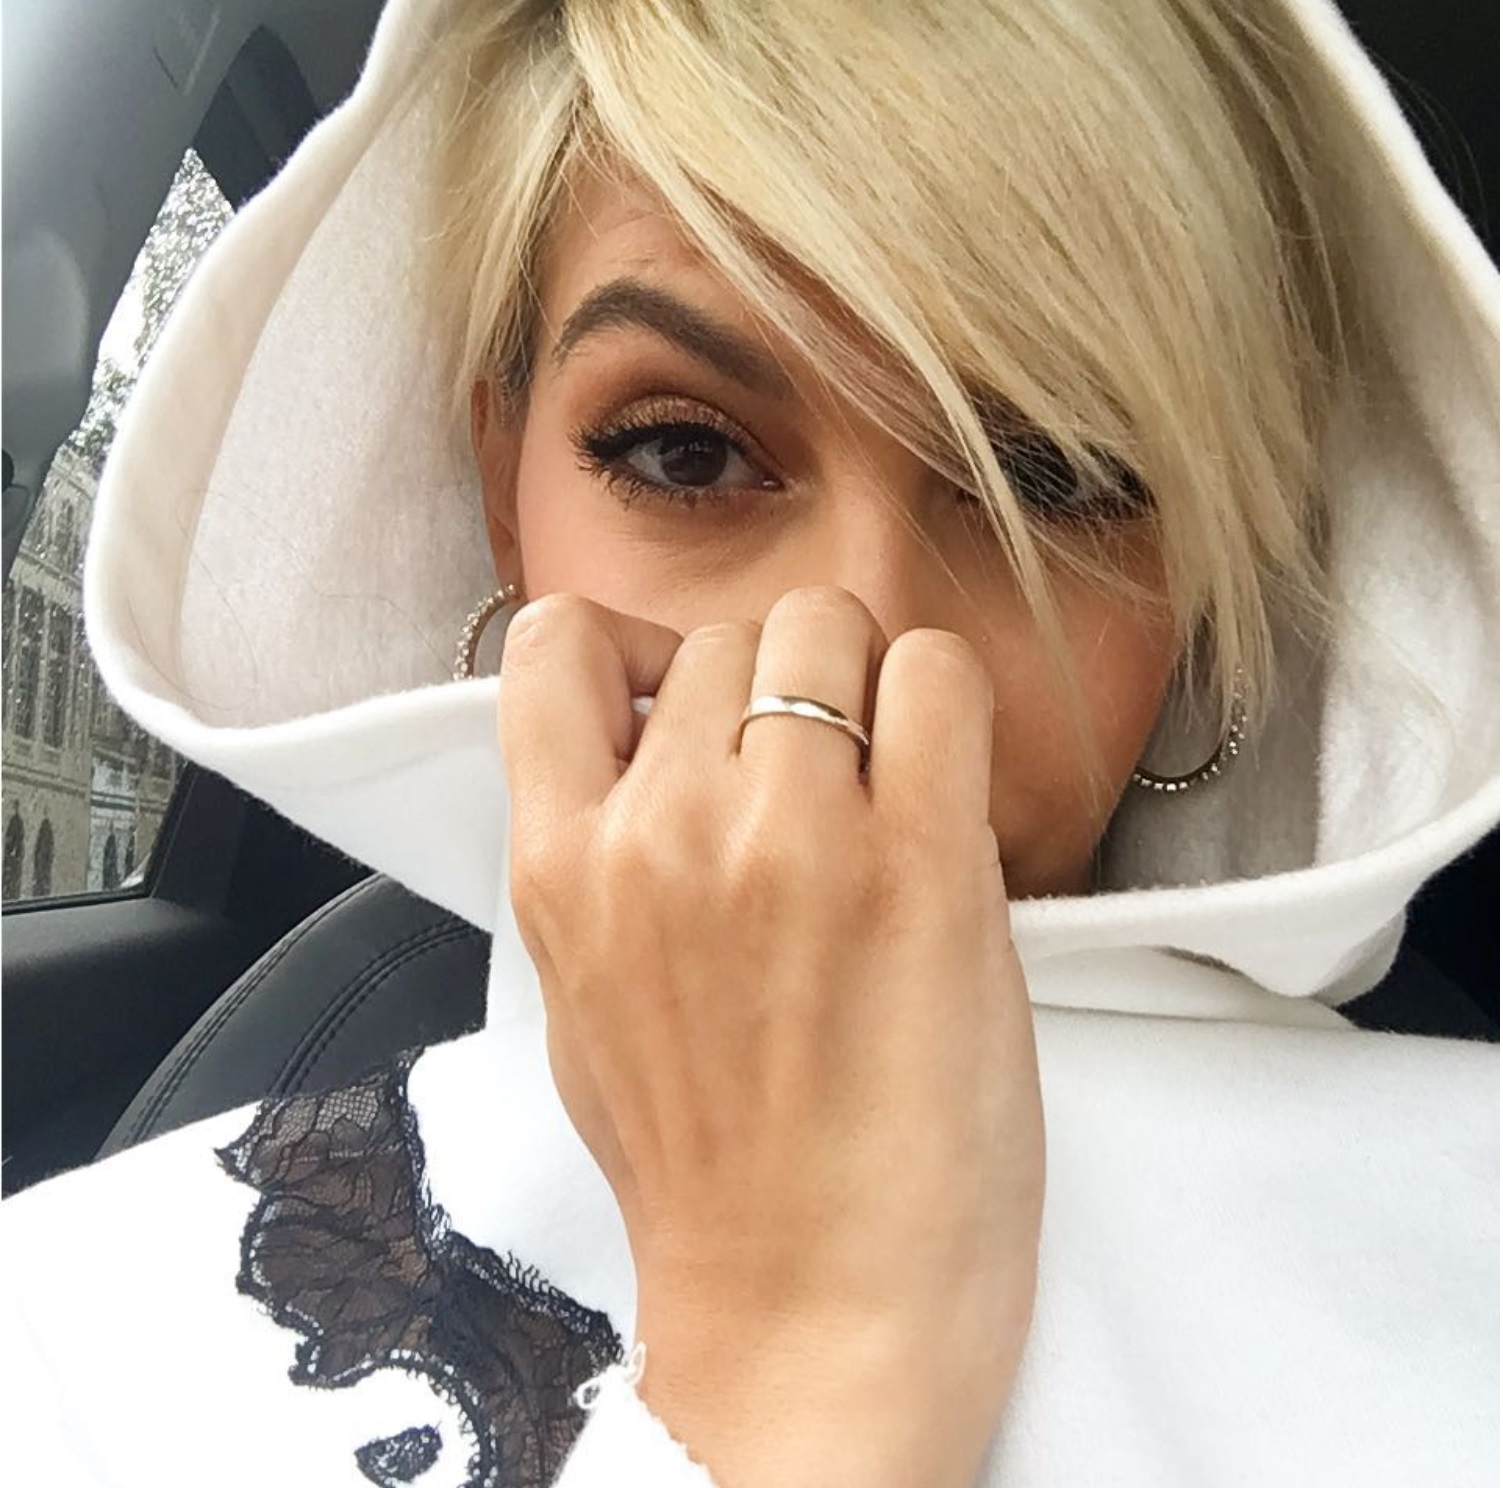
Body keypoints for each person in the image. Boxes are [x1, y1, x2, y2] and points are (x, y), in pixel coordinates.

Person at [2, 0, 1496, 1484]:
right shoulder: (79, 1345)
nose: (859, 650)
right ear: (505, 491)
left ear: (1204, 587)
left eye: (1055, 476)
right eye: (684, 450)